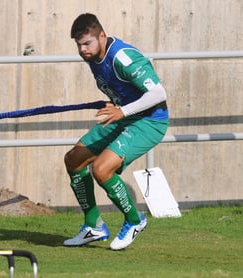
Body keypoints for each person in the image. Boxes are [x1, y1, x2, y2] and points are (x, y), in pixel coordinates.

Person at [63, 13, 169, 250]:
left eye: (87, 43)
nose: (82, 50)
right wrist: (117, 104)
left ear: (102, 36)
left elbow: (158, 93)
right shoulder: (93, 56)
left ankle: (135, 221)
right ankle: (94, 226)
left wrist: (122, 111)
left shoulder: (122, 56)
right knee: (74, 160)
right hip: (124, 115)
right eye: (78, 45)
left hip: (150, 121)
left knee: (101, 169)